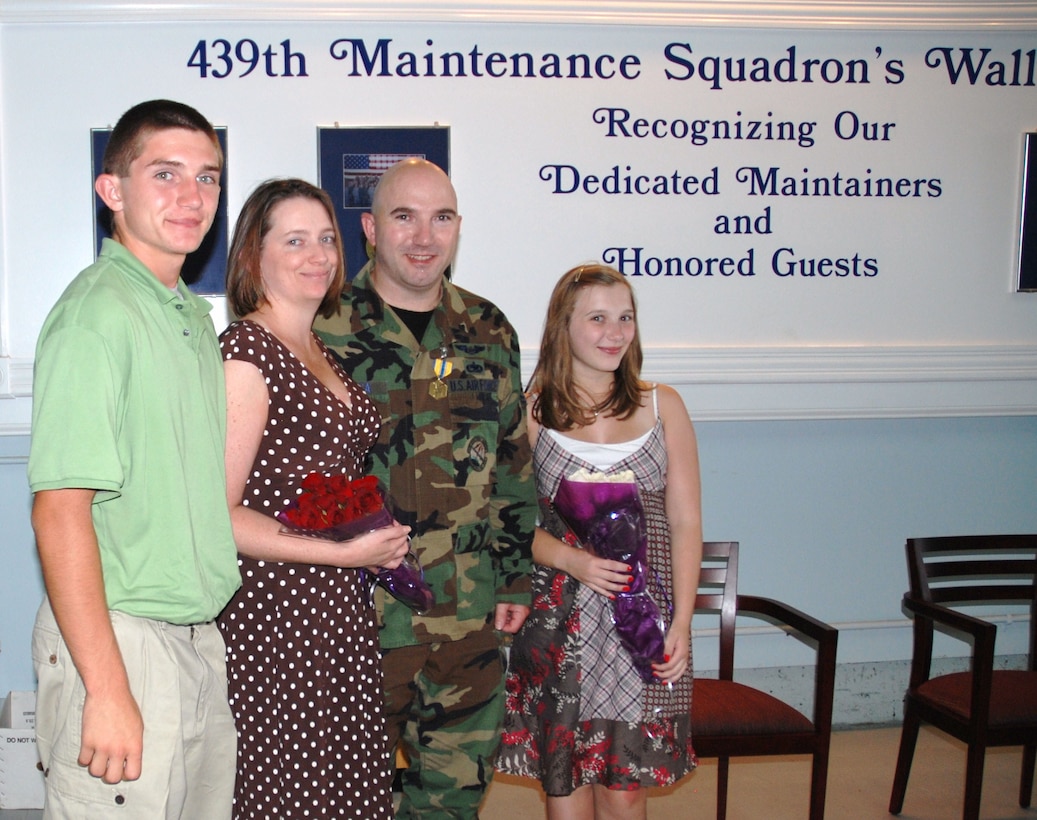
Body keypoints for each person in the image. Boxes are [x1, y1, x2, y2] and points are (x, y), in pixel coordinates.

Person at [27, 99, 241, 818]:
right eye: (166, 173)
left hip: (194, 639)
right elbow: (59, 514)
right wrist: (108, 689)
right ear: (111, 191)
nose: (192, 197)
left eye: (208, 177)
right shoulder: (99, 315)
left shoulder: (185, 314)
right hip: (123, 643)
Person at [314, 158, 537, 819]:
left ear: (458, 228)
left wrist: (514, 578)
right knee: (345, 798)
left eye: (440, 218)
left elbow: (511, 465)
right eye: (403, 217)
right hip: (354, 617)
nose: (423, 237)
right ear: (370, 229)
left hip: (466, 617)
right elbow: (291, 478)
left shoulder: (488, 330)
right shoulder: (320, 329)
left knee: (451, 800)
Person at [217, 178, 412, 818]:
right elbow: (219, 514)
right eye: (295, 239)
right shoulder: (248, 352)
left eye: (327, 238)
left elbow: (312, 480)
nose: (318, 254)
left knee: (344, 789)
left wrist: (373, 537)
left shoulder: (319, 347)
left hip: (337, 609)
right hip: (276, 615)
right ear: (254, 255)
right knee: (289, 793)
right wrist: (345, 555)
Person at [495, 263, 702, 820]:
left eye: (625, 317)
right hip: (559, 619)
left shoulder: (666, 407)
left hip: (644, 622)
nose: (615, 332)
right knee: (565, 782)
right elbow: (506, 518)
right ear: (564, 326)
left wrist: (681, 621)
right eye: (598, 318)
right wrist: (573, 561)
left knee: (627, 788)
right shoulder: (531, 411)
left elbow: (685, 522)